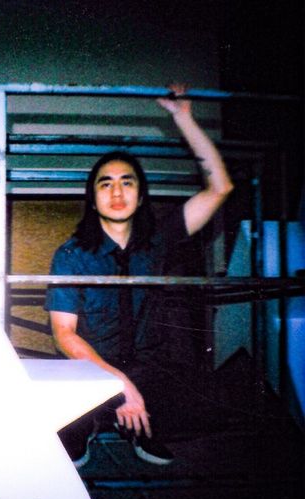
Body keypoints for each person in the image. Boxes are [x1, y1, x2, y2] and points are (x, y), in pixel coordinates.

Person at [46, 84, 234, 467]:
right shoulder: (71, 255)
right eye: (106, 184)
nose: (117, 193)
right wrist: (120, 386)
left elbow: (221, 187)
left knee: (201, 417)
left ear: (141, 195)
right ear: (92, 199)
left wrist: (184, 118)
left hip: (147, 365)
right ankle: (93, 420)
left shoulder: (158, 241)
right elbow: (64, 335)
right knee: (68, 447)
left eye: (127, 182)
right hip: (88, 367)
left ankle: (133, 421)